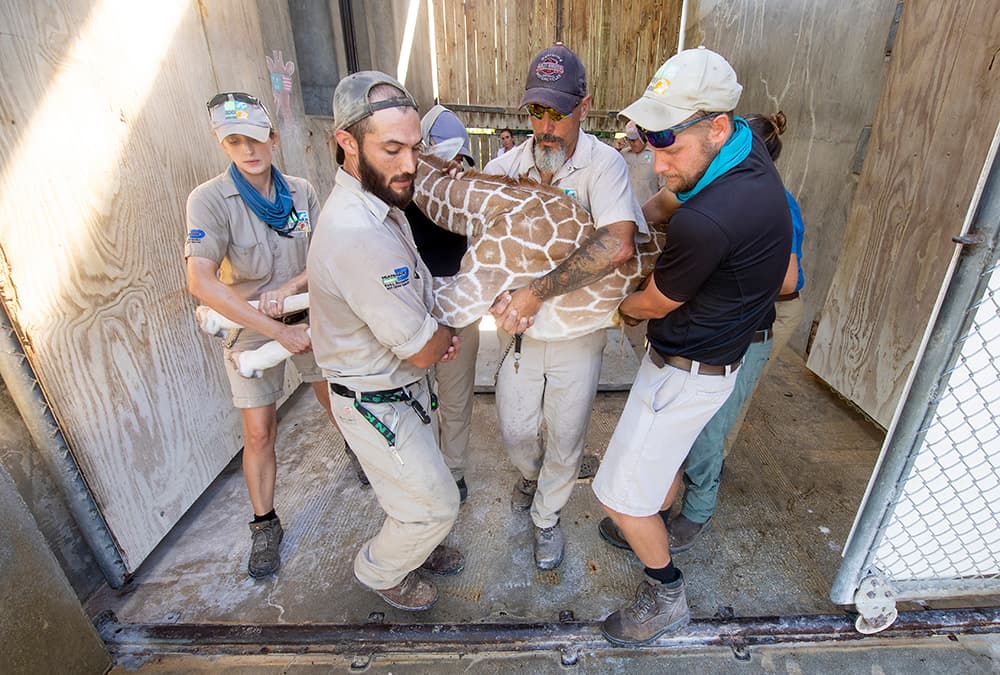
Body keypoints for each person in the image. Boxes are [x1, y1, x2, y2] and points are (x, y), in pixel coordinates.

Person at [591, 47, 791, 645]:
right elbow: (668, 197)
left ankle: (665, 594)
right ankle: (654, 514)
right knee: (664, 458)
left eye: (669, 145)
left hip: (684, 370)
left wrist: (615, 306)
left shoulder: (711, 220)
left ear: (717, 126)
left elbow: (652, 302)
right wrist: (648, 209)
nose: (657, 162)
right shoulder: (746, 153)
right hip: (714, 359)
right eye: (652, 141)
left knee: (617, 496)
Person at [484, 42, 647, 571]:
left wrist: (536, 291)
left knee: (569, 431)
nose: (547, 125)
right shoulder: (504, 166)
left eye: (559, 111)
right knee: (514, 430)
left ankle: (547, 517)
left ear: (585, 105)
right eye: (537, 111)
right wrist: (499, 297)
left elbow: (617, 242)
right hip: (520, 336)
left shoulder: (605, 166)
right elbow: (482, 249)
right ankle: (530, 478)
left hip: (579, 332)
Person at [307, 71, 464, 612]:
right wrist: (441, 336)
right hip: (378, 399)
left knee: (421, 485)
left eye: (415, 147)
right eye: (391, 148)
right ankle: (381, 571)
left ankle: (414, 543)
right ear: (346, 143)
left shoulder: (383, 205)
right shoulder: (358, 232)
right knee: (435, 506)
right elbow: (422, 348)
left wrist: (431, 337)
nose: (410, 165)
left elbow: (416, 309)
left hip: (401, 388)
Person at [185, 92, 335, 578]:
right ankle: (265, 523)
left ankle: (364, 458)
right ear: (222, 143)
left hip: (307, 314)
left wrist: (291, 288)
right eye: (234, 141)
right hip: (250, 327)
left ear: (273, 139)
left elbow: (320, 256)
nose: (248, 150)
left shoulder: (300, 190)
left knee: (339, 402)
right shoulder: (209, 200)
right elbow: (201, 281)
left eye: (255, 138)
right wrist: (273, 329)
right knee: (259, 430)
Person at [406, 104, 480, 503]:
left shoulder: (466, 189)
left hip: (459, 304)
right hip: (411, 302)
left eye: (458, 159)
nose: (450, 166)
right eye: (441, 157)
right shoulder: (399, 192)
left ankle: (452, 471)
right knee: (415, 393)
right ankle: (421, 470)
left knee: (455, 394)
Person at [621, 120, 663, 205]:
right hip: (627, 209)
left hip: (649, 210)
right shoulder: (622, 155)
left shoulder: (656, 155)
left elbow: (664, 187)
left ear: (643, 138)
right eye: (629, 140)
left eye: (634, 140)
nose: (632, 143)